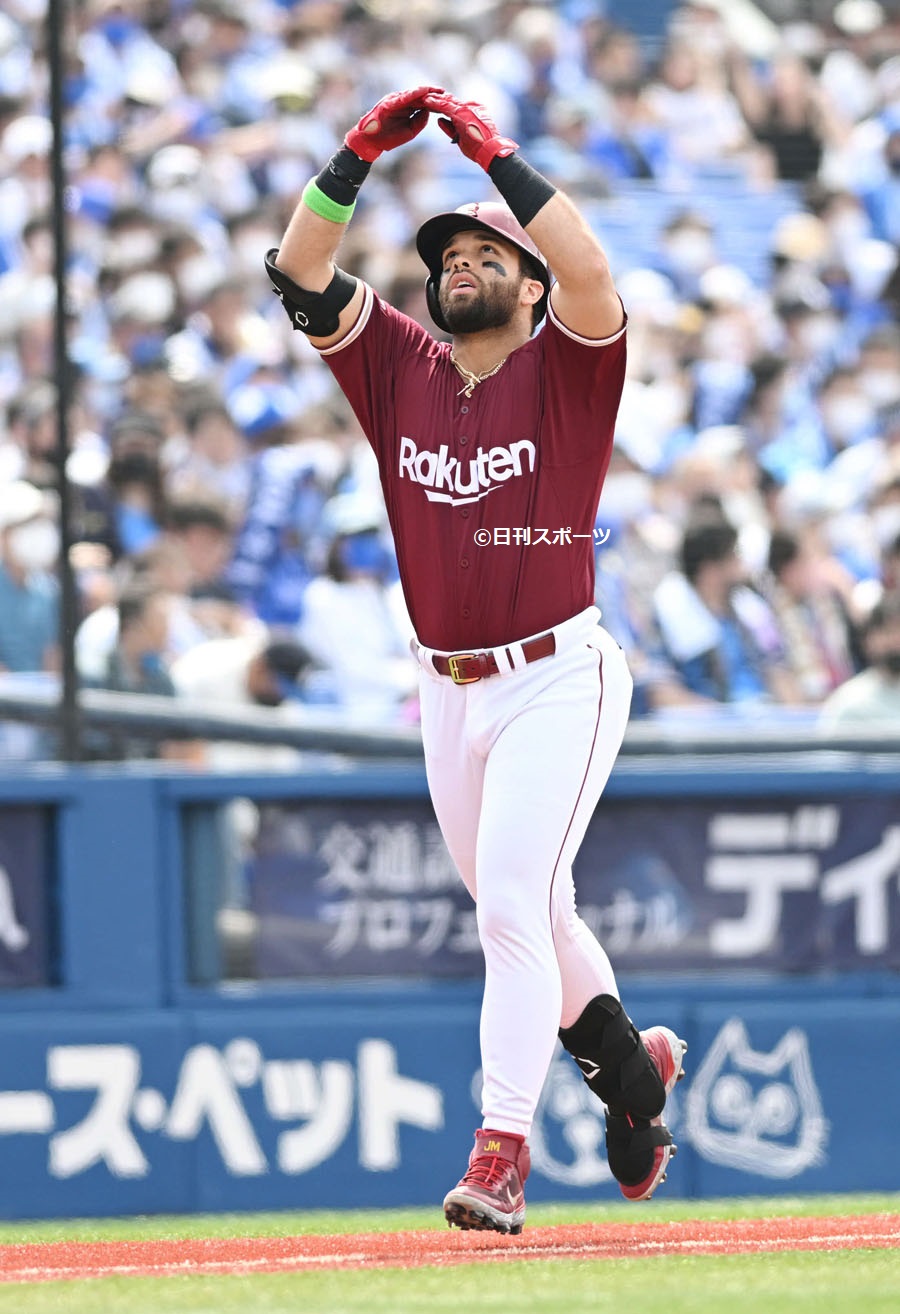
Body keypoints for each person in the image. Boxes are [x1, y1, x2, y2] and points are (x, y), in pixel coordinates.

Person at [268, 86, 686, 1233]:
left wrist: (495, 157)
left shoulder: (570, 368)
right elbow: (298, 270)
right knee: (536, 913)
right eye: (448, 255)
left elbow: (592, 272)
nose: (459, 265)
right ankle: (632, 1076)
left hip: (557, 673)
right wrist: (356, 156)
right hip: (445, 688)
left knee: (510, 903)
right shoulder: (397, 365)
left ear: (529, 284)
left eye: (485, 253)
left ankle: (501, 1152)